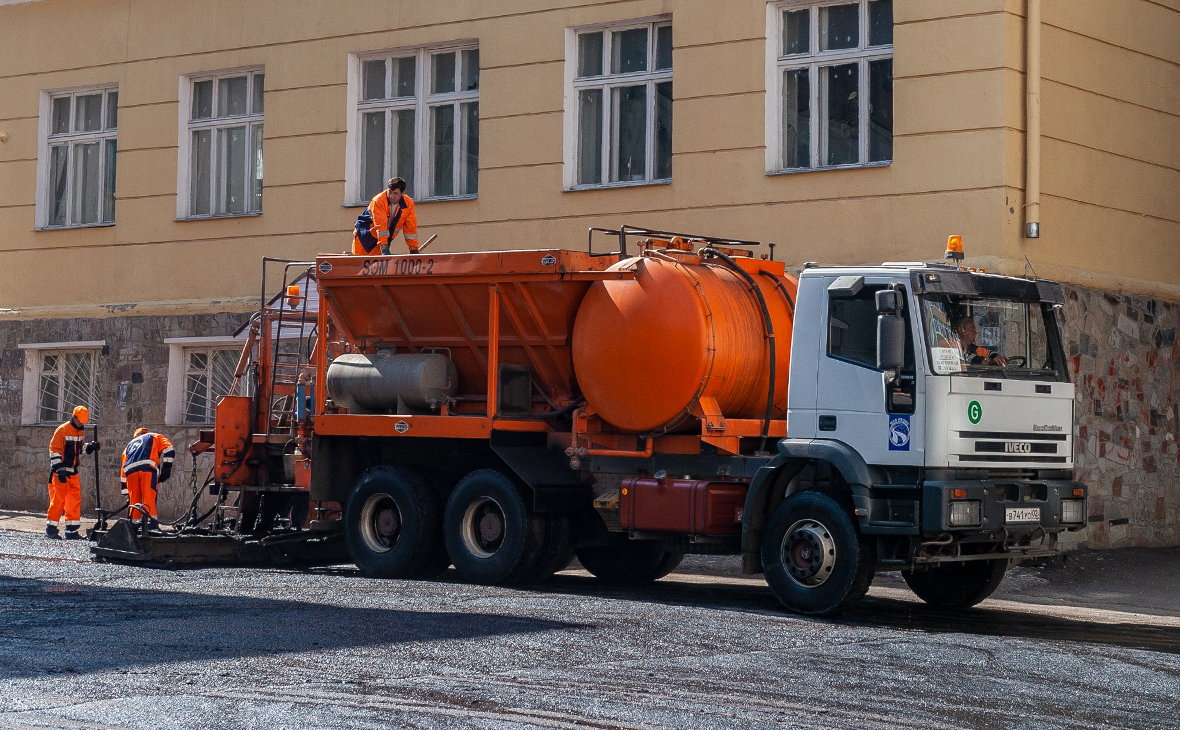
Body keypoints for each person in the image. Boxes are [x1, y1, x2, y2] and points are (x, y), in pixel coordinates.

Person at [46, 405, 100, 540]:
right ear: (74, 417)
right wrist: (59, 470)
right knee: (58, 501)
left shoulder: (79, 431)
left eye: (83, 421)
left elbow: (79, 449)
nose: (81, 423)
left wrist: (89, 447)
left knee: (74, 501)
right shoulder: (62, 430)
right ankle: (51, 529)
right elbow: (54, 451)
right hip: (61, 472)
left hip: (73, 472)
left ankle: (71, 531)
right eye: (79, 420)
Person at [119, 428, 175, 532]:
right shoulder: (155, 436)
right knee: (149, 497)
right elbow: (169, 450)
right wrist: (166, 469)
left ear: (136, 436)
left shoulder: (129, 445)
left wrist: (125, 490)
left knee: (134, 501)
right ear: (146, 433)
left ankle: (133, 527)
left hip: (130, 471)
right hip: (147, 469)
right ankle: (151, 525)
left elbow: (123, 468)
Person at [351, 177, 419, 255]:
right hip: (363, 238)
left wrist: (414, 250)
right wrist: (384, 250)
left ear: (403, 193)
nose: (391, 196)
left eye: (395, 193)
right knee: (360, 265)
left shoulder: (408, 204)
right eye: (390, 192)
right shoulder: (379, 201)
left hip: (380, 241)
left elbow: (410, 230)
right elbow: (381, 227)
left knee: (376, 265)